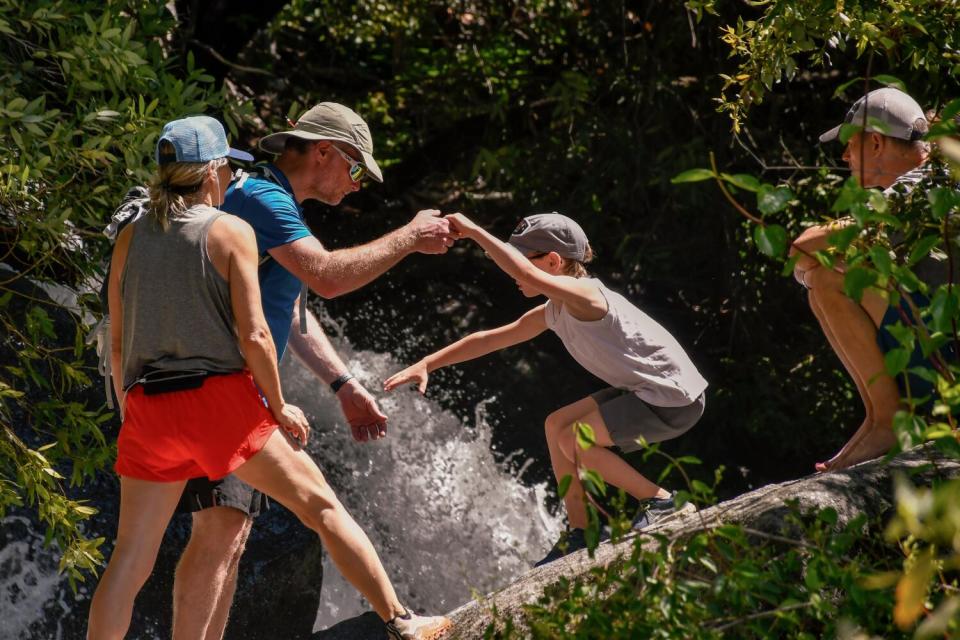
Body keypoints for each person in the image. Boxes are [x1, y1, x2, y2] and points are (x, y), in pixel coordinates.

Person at [86, 116, 451, 640]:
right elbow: (260, 331)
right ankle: (403, 622)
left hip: (147, 405)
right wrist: (278, 407)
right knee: (320, 508)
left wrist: (130, 410)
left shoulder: (133, 236)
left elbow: (121, 340)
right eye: (225, 169)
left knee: (132, 558)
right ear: (213, 169)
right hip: (221, 403)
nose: (229, 179)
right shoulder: (236, 225)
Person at [384, 212, 708, 566]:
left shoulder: (587, 295)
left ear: (553, 261)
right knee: (556, 426)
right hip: (648, 390)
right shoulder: (555, 310)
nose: (513, 274)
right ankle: (581, 530)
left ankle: (664, 502)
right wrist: (428, 363)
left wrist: (476, 231)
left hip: (673, 398)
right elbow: (490, 339)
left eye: (522, 259)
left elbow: (524, 274)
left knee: (575, 439)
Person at [791, 87, 937, 472]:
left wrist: (816, 267)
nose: (843, 156)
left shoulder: (921, 189)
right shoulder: (931, 182)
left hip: (944, 356)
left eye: (849, 144)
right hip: (937, 345)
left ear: (875, 142)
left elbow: (803, 246)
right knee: (830, 275)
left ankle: (888, 422)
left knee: (830, 281)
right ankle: (878, 420)